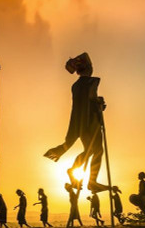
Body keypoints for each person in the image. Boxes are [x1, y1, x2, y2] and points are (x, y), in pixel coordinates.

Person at [44, 53, 109, 193]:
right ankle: (92, 182)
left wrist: (97, 103)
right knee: (98, 150)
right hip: (91, 122)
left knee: (90, 150)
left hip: (79, 124)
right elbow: (91, 98)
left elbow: (82, 103)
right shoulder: (91, 82)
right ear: (88, 68)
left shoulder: (75, 85)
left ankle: (73, 170)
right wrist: (99, 103)